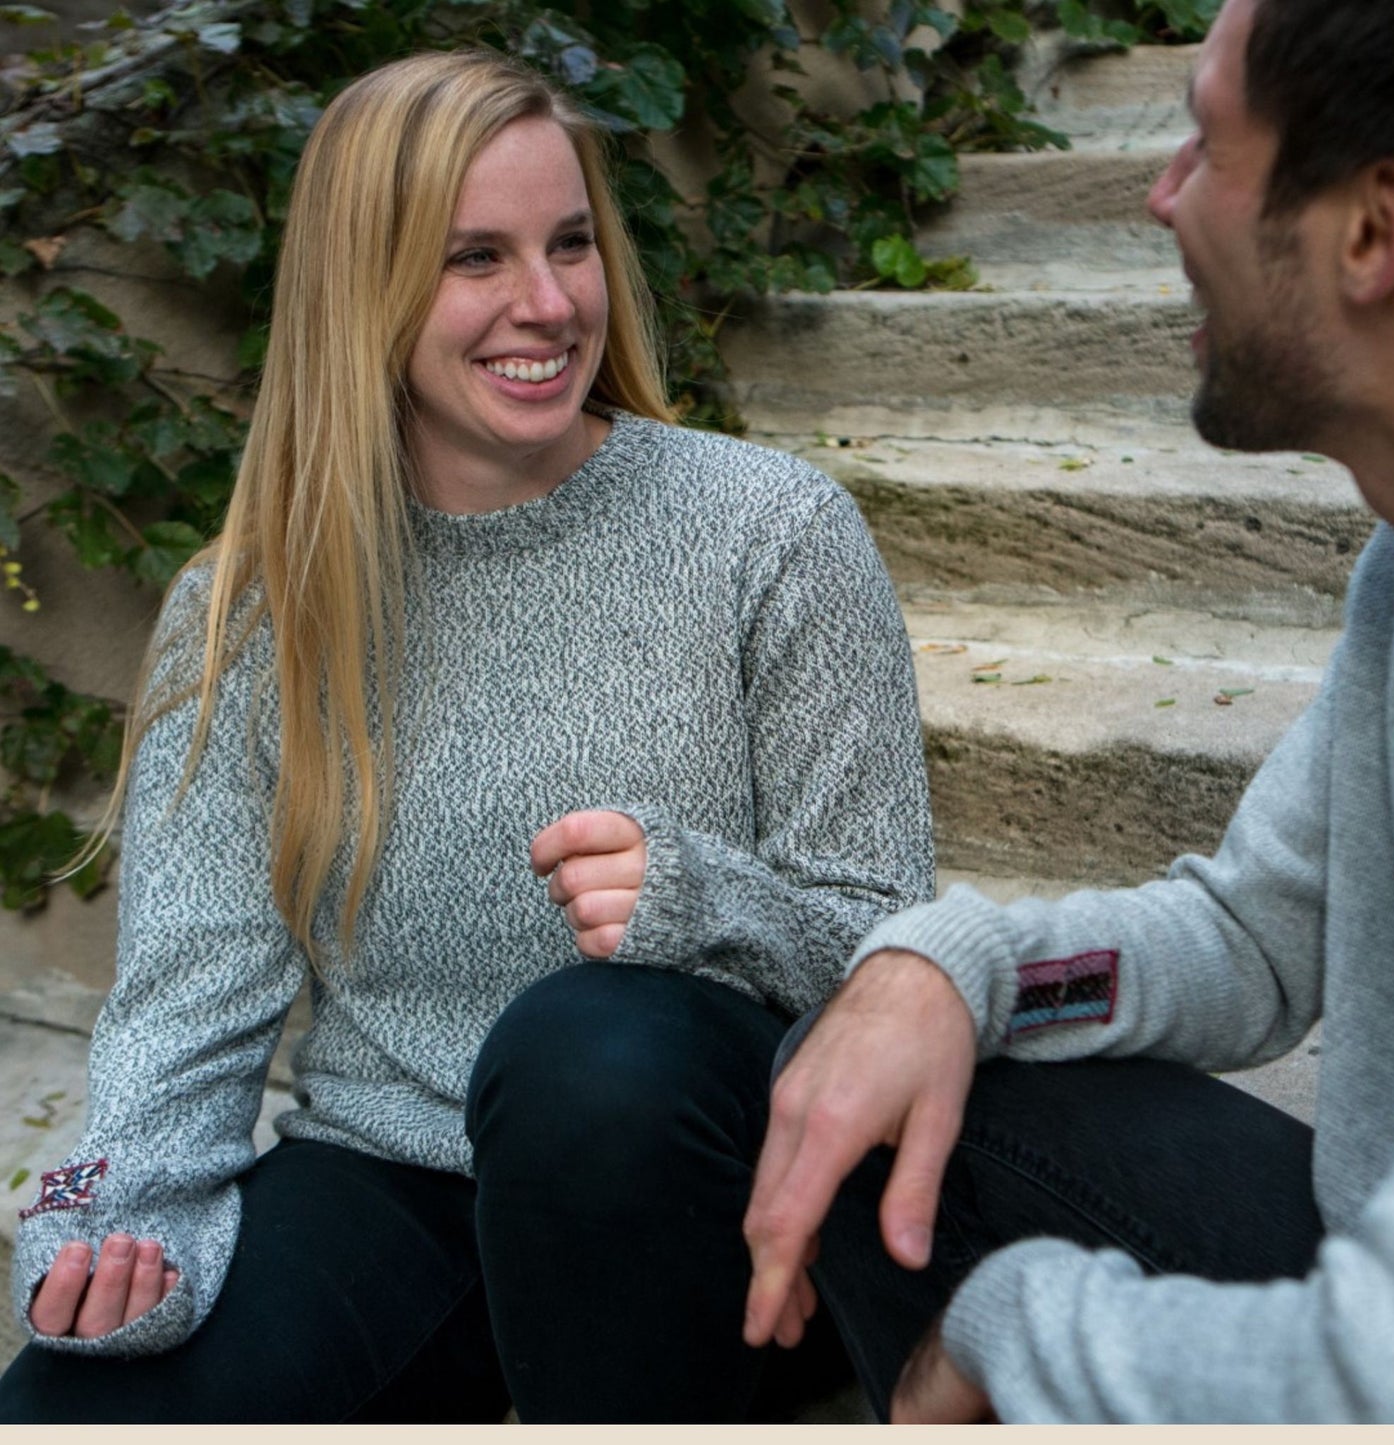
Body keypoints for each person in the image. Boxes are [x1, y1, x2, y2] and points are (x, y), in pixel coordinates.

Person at [0, 49, 934, 1423]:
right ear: (361, 288)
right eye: (474, 258)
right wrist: (113, 1211)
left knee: (588, 1053)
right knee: (69, 1412)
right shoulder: (257, 605)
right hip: (397, 1177)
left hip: (718, 1192)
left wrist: (700, 903)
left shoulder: (770, 533)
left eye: (571, 244)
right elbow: (186, 996)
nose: (546, 304)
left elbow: (897, 953)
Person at [741, 0, 1394, 1423]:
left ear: (1373, 229)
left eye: (1207, 146)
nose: (1159, 193)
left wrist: (1008, 1329)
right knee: (878, 1067)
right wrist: (961, 969)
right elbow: (1252, 936)